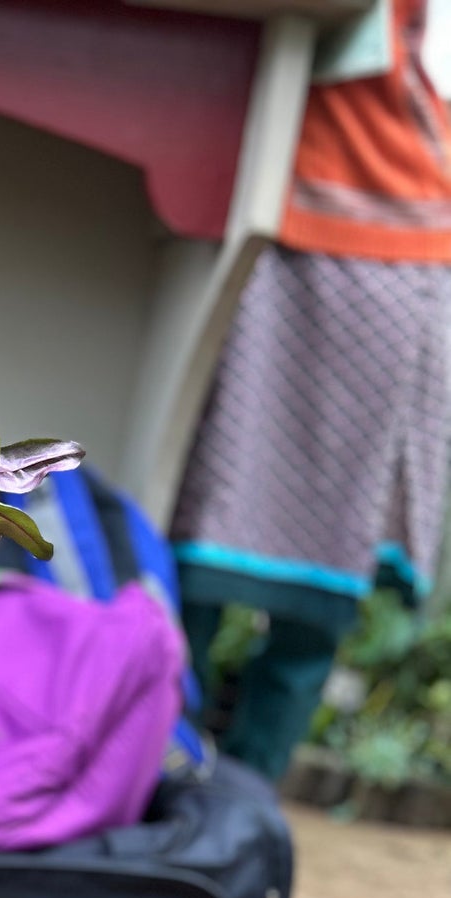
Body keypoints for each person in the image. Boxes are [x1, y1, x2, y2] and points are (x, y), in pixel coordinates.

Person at [172, 0, 451, 781]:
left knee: (303, 559)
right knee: (196, 531)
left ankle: (226, 812)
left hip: (374, 230)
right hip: (291, 214)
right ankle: (177, 791)